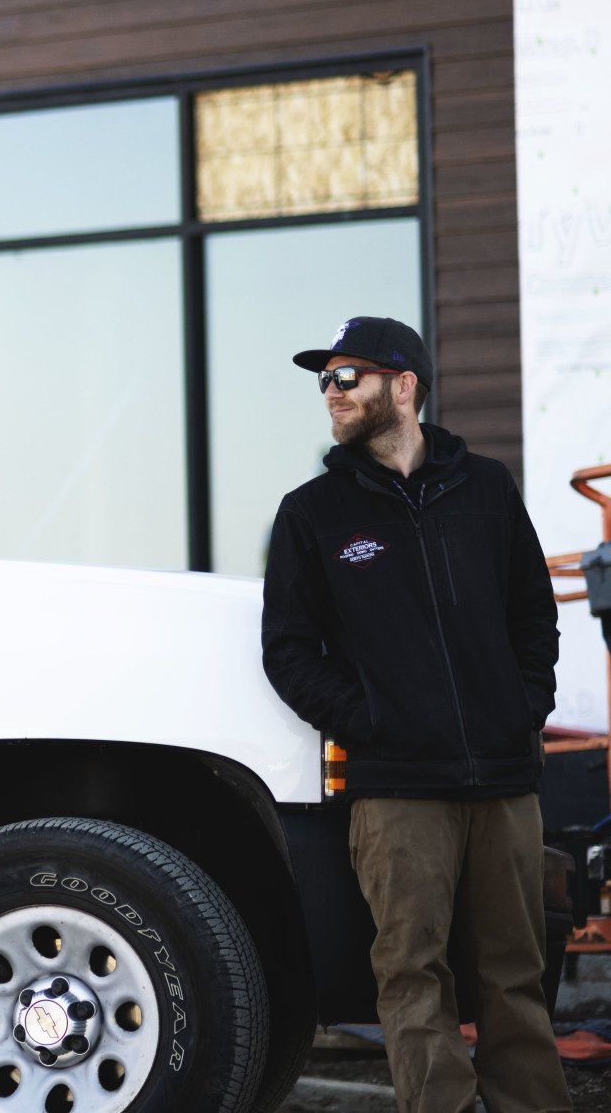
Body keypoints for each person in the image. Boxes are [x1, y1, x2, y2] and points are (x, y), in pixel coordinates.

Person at [260, 316, 569, 1112]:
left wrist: (523, 705)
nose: (330, 392)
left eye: (346, 376)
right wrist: (375, 720)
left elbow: (534, 617)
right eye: (323, 379)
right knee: (410, 974)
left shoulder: (488, 490)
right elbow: (289, 653)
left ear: (404, 386)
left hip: (504, 779)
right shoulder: (313, 514)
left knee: (515, 976)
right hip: (396, 791)